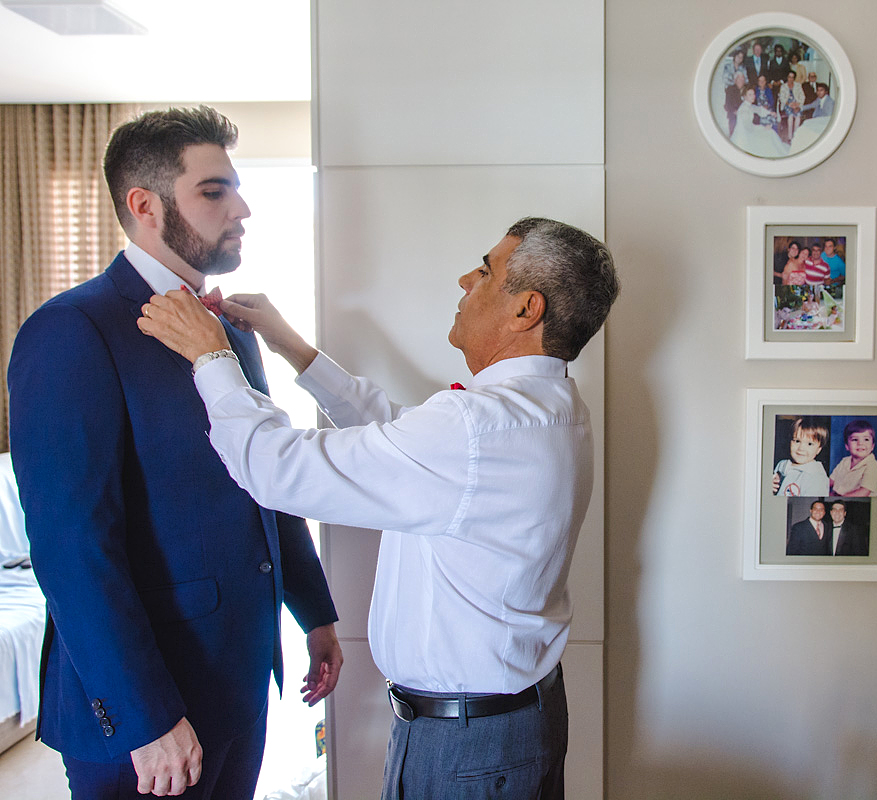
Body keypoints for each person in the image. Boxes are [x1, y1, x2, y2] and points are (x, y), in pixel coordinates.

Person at [138, 216, 619, 799]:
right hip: (510, 725)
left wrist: (213, 356)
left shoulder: (475, 428)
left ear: (527, 310)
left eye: (487, 270)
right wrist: (293, 346)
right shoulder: (551, 406)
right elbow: (402, 439)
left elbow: (275, 468)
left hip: (466, 745)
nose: (466, 279)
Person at [7, 106, 341, 799]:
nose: (242, 207)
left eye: (235, 187)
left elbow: (262, 480)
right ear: (145, 205)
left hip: (240, 683)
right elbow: (72, 549)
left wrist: (316, 613)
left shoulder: (233, 332)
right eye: (215, 191)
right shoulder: (72, 331)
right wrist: (145, 717)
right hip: (145, 714)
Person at [772, 417, 830, 498]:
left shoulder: (817, 478)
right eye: (797, 441)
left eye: (809, 444)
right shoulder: (782, 465)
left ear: (819, 449)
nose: (801, 448)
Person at [829, 419, 877, 497]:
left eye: (866, 439)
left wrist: (841, 497)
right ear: (847, 446)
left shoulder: (872, 466)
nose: (860, 443)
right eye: (855, 439)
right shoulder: (844, 461)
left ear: (872, 446)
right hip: (836, 496)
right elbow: (831, 481)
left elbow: (864, 492)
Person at [731, 86, 788, 157]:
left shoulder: (748, 105)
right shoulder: (744, 109)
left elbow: (757, 109)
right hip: (745, 135)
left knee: (770, 132)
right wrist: (763, 128)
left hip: (749, 130)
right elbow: (748, 128)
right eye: (750, 95)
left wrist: (770, 113)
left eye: (753, 94)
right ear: (744, 96)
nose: (753, 96)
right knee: (769, 134)